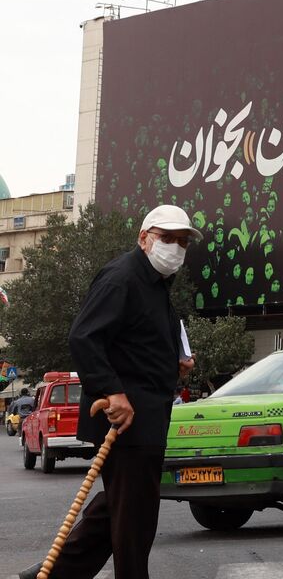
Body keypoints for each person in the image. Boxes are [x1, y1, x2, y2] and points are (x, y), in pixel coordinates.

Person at [19, 205, 199, 579]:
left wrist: (175, 363)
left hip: (148, 420)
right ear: (144, 238)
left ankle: (53, 575)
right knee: (135, 522)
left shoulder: (156, 285)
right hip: (126, 421)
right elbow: (84, 336)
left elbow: (137, 346)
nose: (175, 248)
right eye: (167, 238)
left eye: (182, 242)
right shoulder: (122, 278)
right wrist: (113, 392)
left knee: (116, 511)